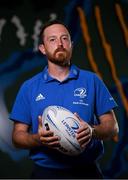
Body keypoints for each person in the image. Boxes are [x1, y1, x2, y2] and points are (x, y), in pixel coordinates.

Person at [10, 20, 119, 179]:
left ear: (71, 45)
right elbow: (17, 137)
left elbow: (113, 127)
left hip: (87, 172)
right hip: (45, 173)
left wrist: (92, 131)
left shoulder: (91, 80)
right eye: (52, 39)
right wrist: (37, 139)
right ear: (43, 48)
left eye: (64, 38)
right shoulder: (29, 87)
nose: (60, 44)